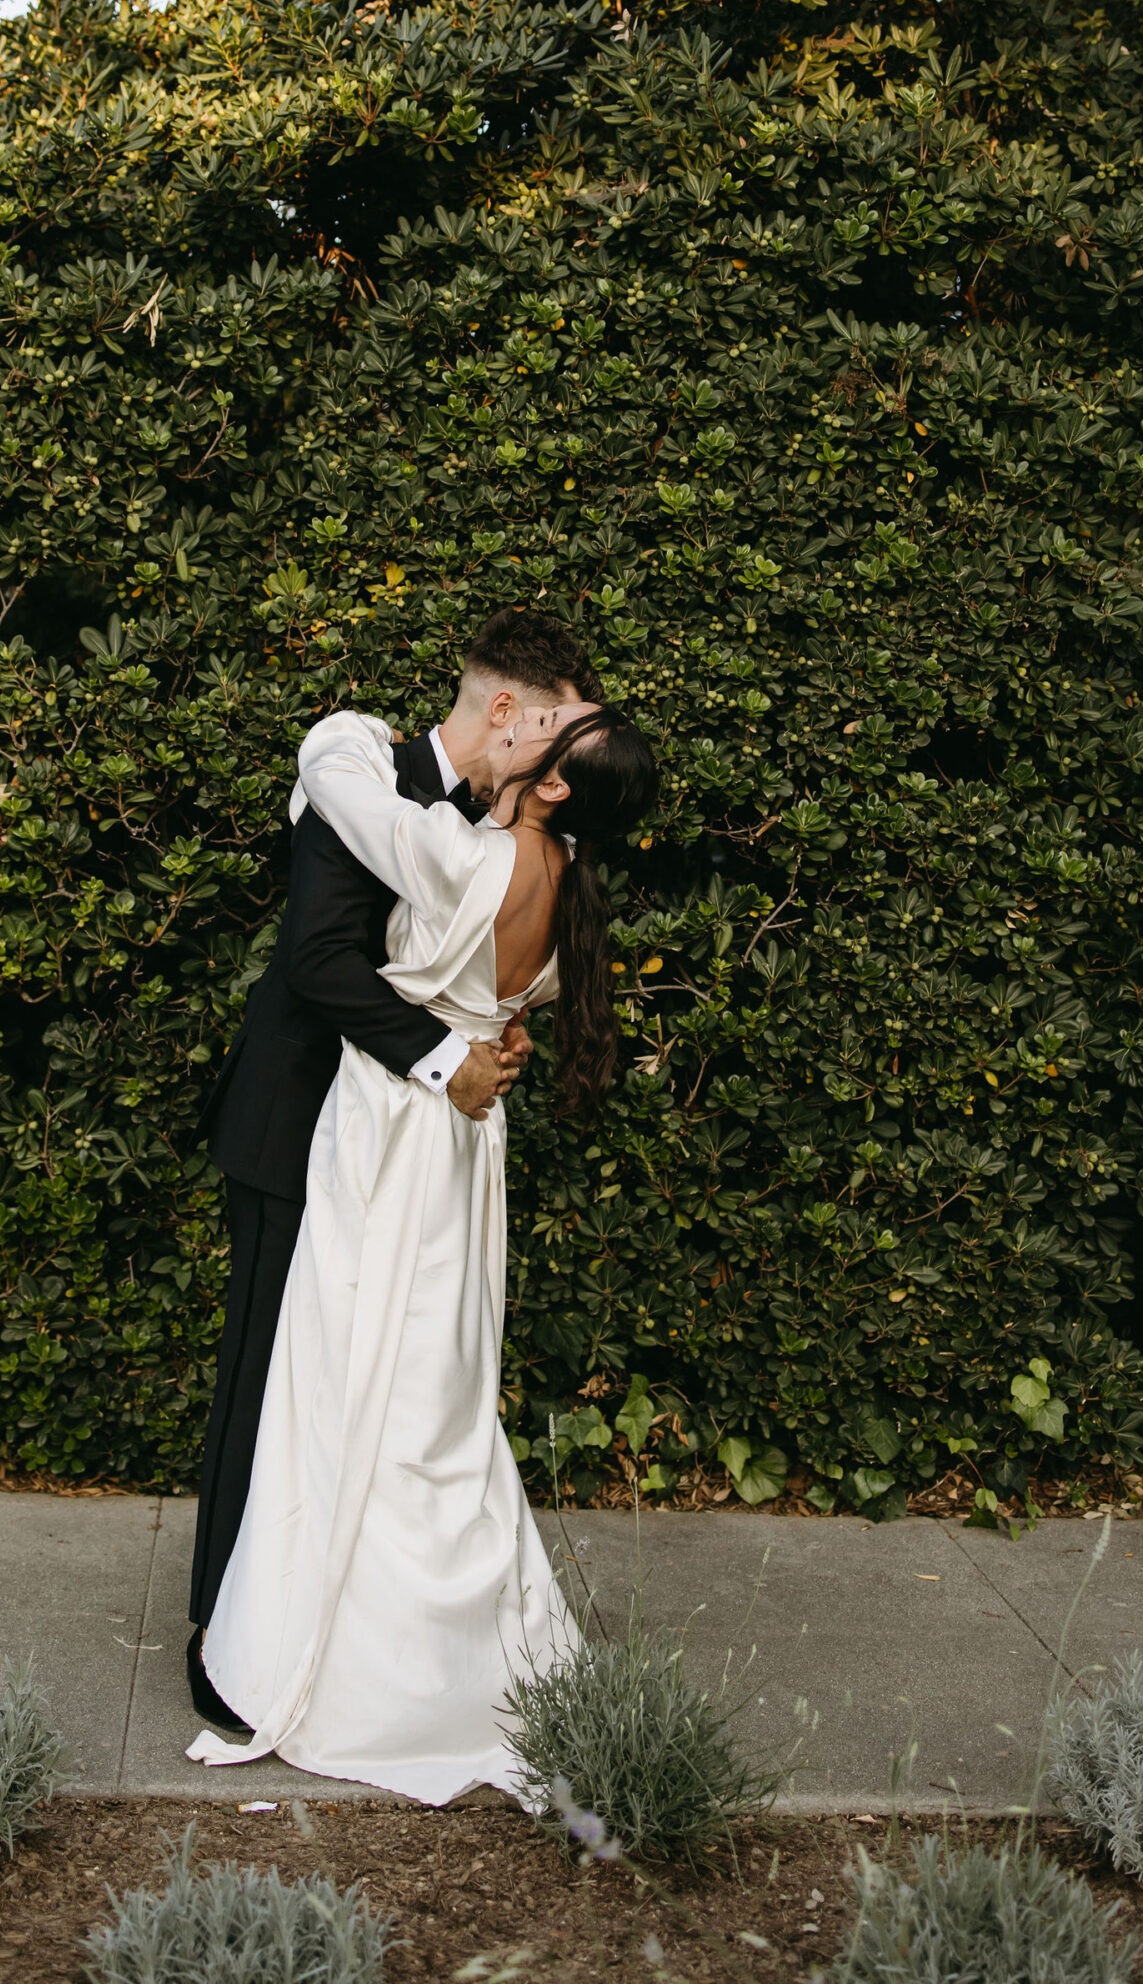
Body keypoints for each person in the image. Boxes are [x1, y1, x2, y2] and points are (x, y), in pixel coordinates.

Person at [187, 690, 659, 1803]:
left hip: (390, 1137)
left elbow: (348, 790)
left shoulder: (463, 856)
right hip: (463, 1150)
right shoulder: (560, 887)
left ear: (550, 780)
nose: (535, 733)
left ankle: (321, 1636)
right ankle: (436, 1631)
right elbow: (500, 989)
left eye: (552, 734)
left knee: (339, 1371)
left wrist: (342, 734)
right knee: (432, 1388)